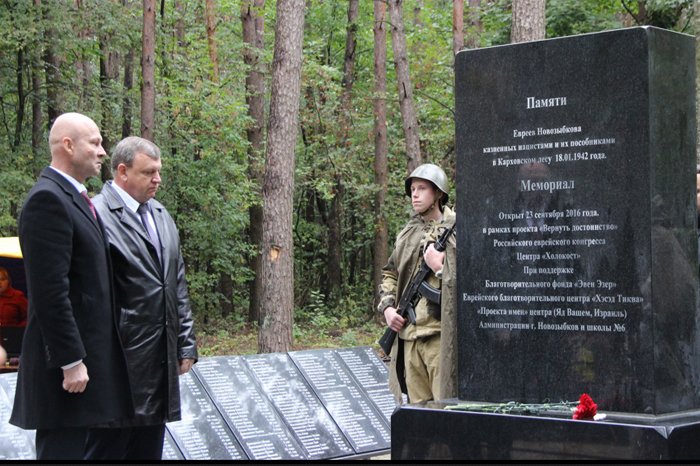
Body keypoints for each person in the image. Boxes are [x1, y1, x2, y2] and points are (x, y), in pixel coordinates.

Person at [9, 112, 133, 459]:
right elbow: (50, 292)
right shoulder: (47, 200)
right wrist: (70, 360)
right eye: (95, 142)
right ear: (68, 145)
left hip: (87, 363)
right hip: (64, 371)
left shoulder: (75, 198)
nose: (103, 152)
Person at [89, 136, 197, 460]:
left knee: (148, 451)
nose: (158, 179)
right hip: (117, 363)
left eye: (159, 171)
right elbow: (86, 296)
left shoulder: (161, 214)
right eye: (149, 172)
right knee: (106, 451)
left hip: (158, 362)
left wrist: (186, 342)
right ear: (122, 171)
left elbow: (175, 282)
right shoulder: (96, 214)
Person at [378, 163, 457, 404]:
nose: (415, 194)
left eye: (422, 188)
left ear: (438, 194)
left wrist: (440, 268)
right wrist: (388, 309)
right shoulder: (407, 233)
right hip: (409, 338)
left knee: (445, 409)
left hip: (440, 338)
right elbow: (390, 273)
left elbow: (475, 282)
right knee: (418, 414)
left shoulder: (456, 231)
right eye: (413, 189)